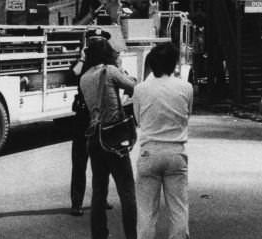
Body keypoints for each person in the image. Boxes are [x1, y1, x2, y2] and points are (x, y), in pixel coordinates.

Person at [80, 37, 138, 239]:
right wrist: (121, 68)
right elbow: (133, 88)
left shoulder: (84, 77)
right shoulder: (110, 71)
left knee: (99, 191)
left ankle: (99, 235)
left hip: (94, 137)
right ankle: (132, 235)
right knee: (127, 190)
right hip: (113, 135)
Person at [134, 41, 193, 239]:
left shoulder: (140, 89)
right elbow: (187, 115)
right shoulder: (186, 87)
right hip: (176, 152)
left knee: (146, 213)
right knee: (178, 209)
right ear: (174, 63)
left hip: (149, 152)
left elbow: (138, 119)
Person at [70, 28, 112, 216]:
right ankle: (77, 202)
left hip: (101, 116)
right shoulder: (83, 62)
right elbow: (73, 74)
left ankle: (101, 199)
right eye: (93, 42)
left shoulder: (107, 64)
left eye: (99, 42)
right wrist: (81, 57)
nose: (96, 45)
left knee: (102, 162)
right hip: (82, 116)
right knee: (80, 161)